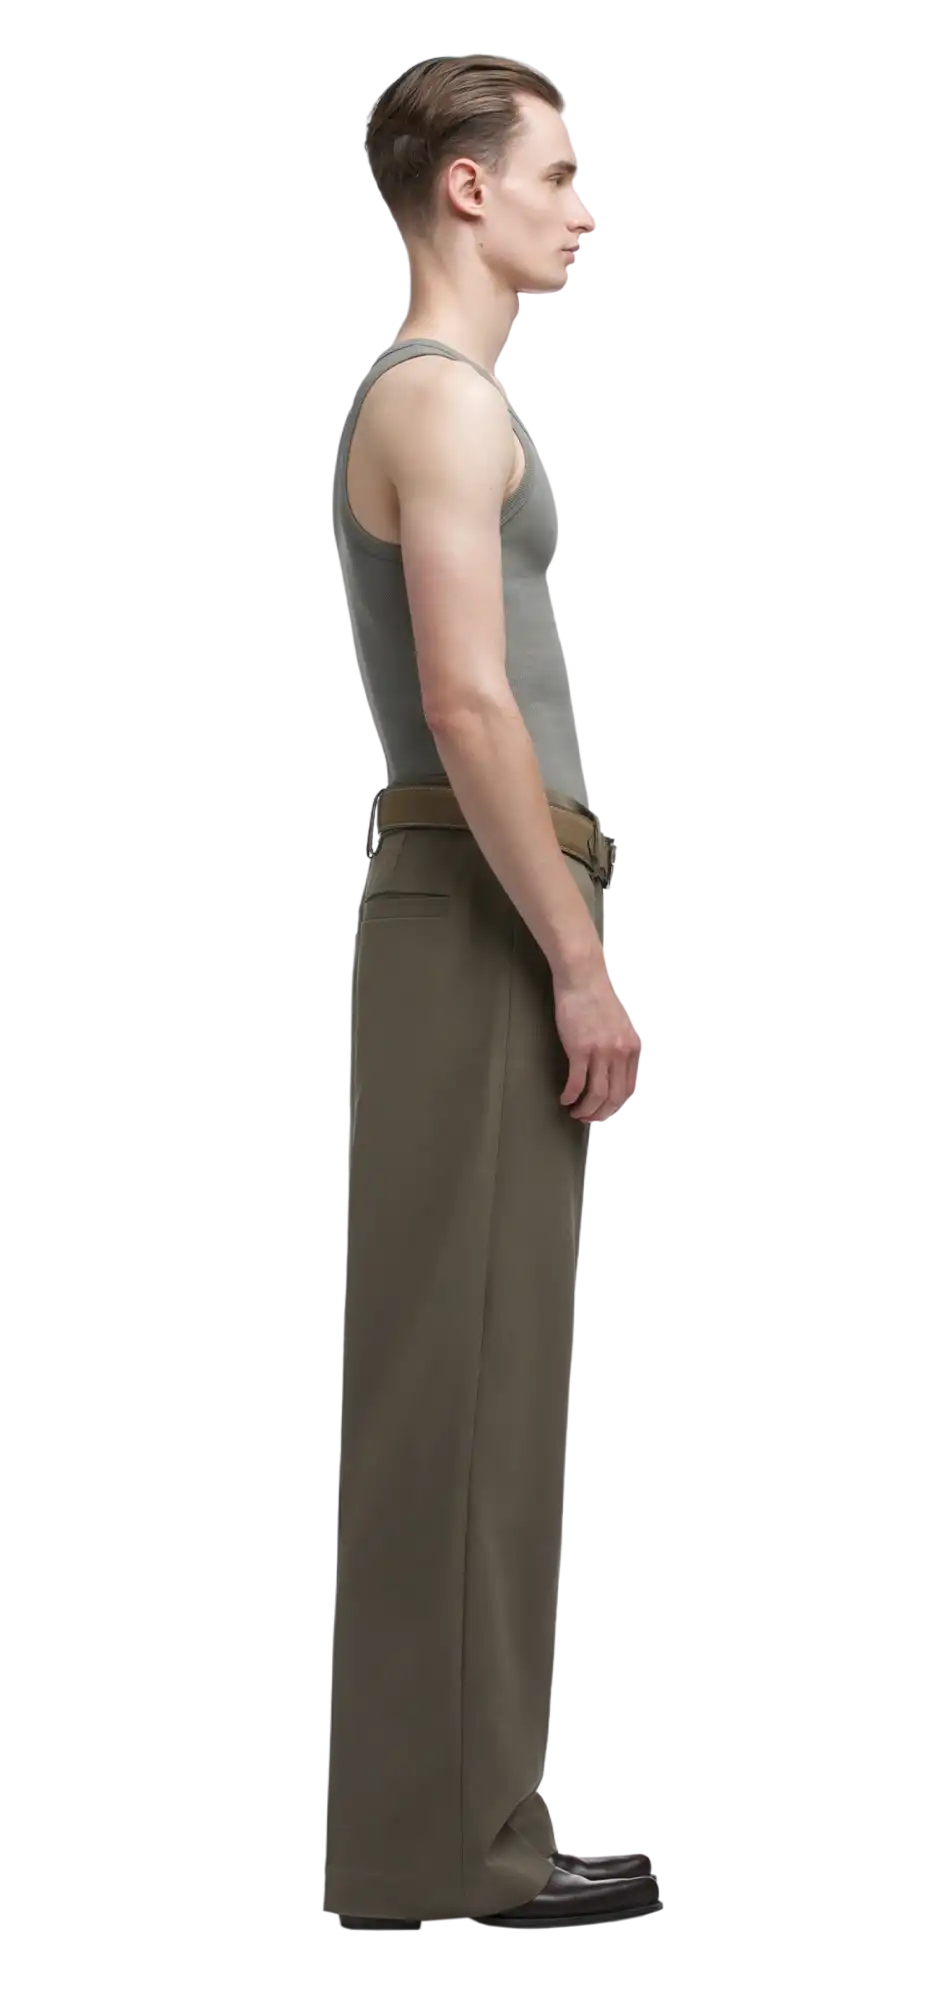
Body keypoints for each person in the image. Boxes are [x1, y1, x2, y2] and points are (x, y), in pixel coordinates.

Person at [322, 54, 650, 1935]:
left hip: (476, 899)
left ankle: (466, 1828)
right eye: (560, 174)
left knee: (484, 1381)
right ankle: (445, 1857)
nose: (583, 210)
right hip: (482, 910)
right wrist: (577, 960)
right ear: (467, 188)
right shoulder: (437, 400)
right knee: (457, 1386)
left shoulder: (437, 396)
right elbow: (464, 697)